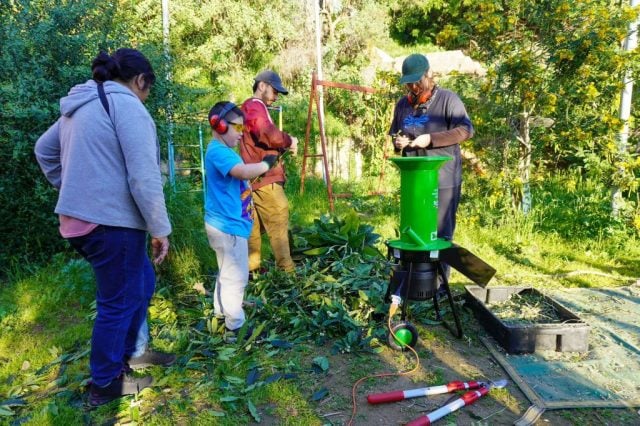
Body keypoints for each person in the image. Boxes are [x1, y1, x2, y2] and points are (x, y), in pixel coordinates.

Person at [34, 48, 175, 407]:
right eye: (148, 89)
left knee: (141, 283)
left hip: (83, 222)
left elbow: (43, 150)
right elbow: (144, 176)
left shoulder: (80, 105)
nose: (146, 97)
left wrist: (72, 188)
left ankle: (132, 353)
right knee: (117, 301)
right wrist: (161, 229)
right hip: (111, 225)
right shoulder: (128, 106)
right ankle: (106, 382)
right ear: (140, 81)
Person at [204, 101, 278, 342]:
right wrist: (266, 163)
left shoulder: (224, 151)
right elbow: (243, 173)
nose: (242, 133)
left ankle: (220, 314)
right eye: (237, 127)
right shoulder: (217, 151)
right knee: (236, 276)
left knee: (226, 272)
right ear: (219, 125)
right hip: (228, 226)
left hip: (229, 225)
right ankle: (236, 328)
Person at [389, 53, 474, 256]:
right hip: (414, 181)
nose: (413, 88)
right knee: (414, 232)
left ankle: (440, 284)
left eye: (417, 82)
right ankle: (415, 279)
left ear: (429, 75)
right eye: (409, 84)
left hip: (443, 179)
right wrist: (398, 142)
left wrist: (431, 139)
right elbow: (396, 134)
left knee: (439, 236)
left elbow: (466, 130)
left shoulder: (448, 100)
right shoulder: (402, 105)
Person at [240, 70, 298, 274]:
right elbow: (267, 134)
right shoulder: (254, 106)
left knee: (253, 229)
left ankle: (252, 274)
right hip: (265, 179)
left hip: (254, 179)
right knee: (278, 223)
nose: (276, 96)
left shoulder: (253, 108)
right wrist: (289, 140)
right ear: (262, 85)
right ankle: (287, 274)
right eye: (275, 91)